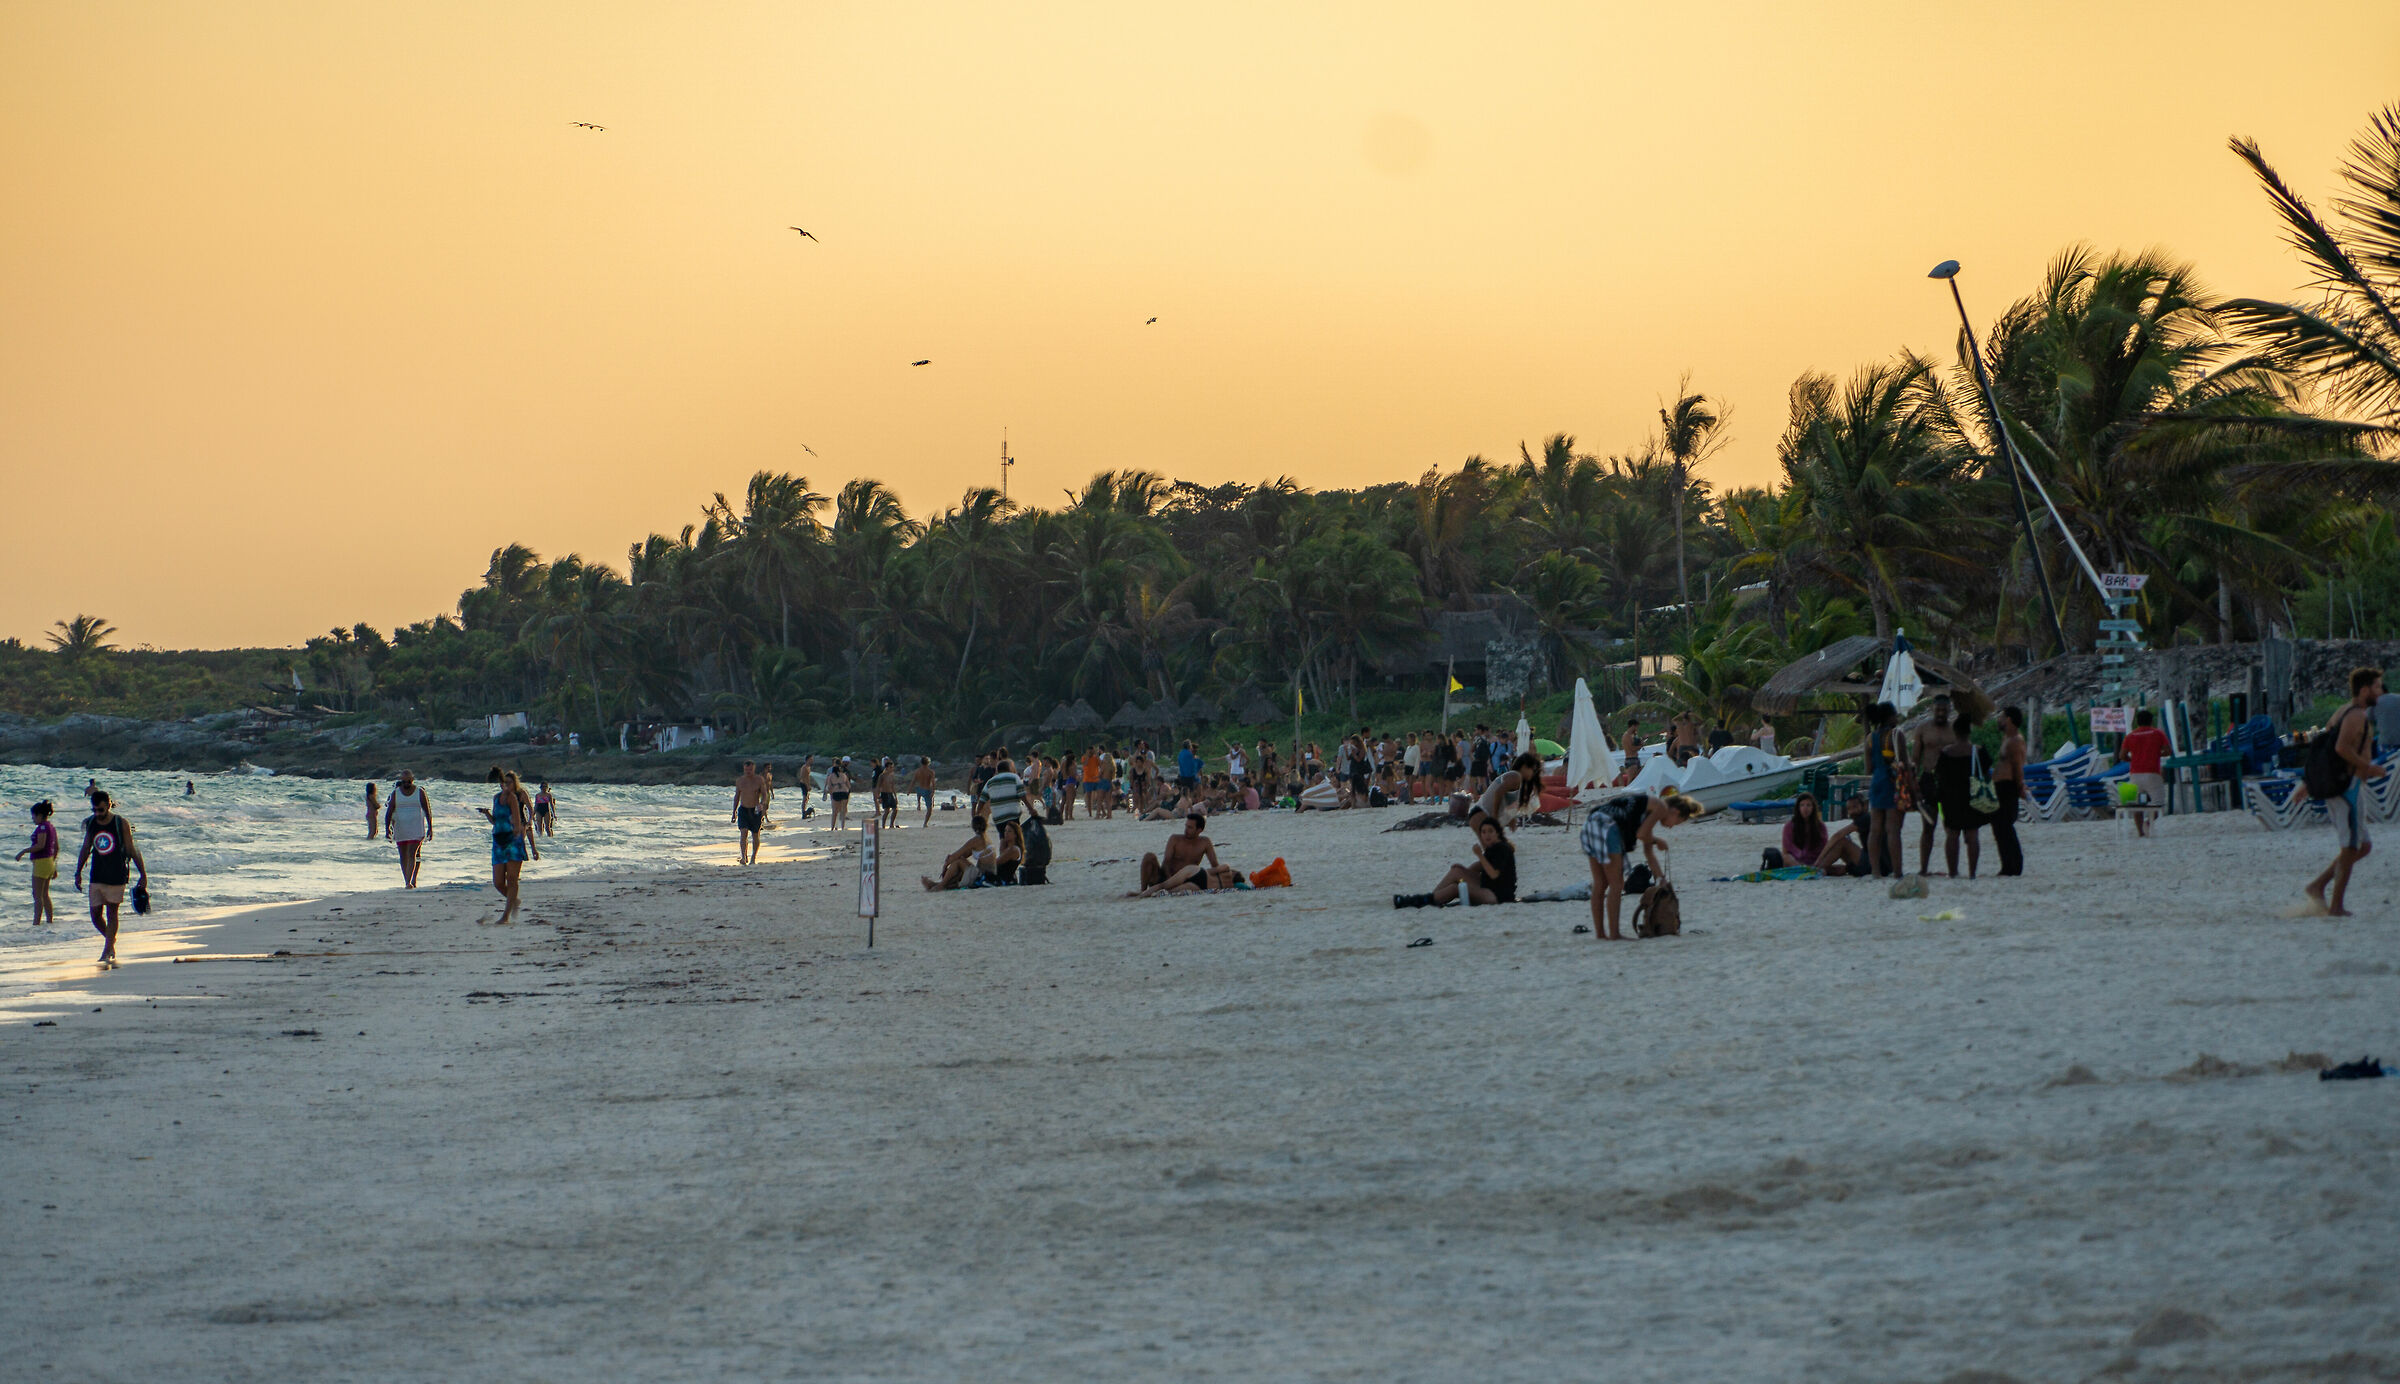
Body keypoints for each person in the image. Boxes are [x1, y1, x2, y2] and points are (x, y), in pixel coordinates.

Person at [2306, 666, 2388, 916]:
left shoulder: (2344, 711)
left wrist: (2306, 782)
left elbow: (2323, 745)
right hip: (2347, 787)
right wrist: (2368, 767)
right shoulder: (2356, 716)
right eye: (2376, 687)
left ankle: (2318, 885)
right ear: (2364, 690)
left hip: (2348, 786)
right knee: (2351, 846)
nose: (2380, 692)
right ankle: (2336, 906)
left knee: (2362, 846)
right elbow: (2340, 748)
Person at [1580, 790, 1700, 941]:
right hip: (1608, 826)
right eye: (1677, 822)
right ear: (1675, 811)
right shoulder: (1661, 807)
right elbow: (1642, 835)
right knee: (1616, 884)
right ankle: (1614, 934)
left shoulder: (1648, 810)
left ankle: (1601, 934)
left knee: (1600, 883)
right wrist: (1658, 841)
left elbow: (1648, 853)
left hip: (1591, 823)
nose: (1672, 827)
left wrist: (1661, 879)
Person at [73, 790, 145, 968]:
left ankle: (107, 950)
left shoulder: (121, 823)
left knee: (112, 913)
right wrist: (78, 872)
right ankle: (111, 942)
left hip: (116, 874)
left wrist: (143, 874)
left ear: (109, 805)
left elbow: (131, 849)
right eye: (94, 810)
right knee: (95, 915)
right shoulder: (91, 823)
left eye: (101, 810)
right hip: (96, 874)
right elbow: (85, 847)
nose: (98, 814)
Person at [1395, 816, 1517, 907]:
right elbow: (1480, 866)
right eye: (1483, 832)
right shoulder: (1493, 847)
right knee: (1456, 871)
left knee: (1455, 888)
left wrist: (1479, 855)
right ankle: (1431, 898)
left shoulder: (1502, 848)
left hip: (1497, 896)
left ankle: (1421, 901)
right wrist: (1464, 871)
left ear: (1498, 833)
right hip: (1488, 887)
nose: (1486, 835)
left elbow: (1494, 874)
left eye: (1490, 831)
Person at [1936, 708, 1990, 876]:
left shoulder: (1946, 753)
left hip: (1951, 797)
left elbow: (1940, 777)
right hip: (1972, 795)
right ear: (1969, 731)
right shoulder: (1978, 751)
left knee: (1952, 834)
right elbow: (1986, 772)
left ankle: (1953, 872)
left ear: (1955, 731)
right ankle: (1972, 873)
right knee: (1972, 835)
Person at [479, 770, 532, 923]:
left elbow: (517, 821)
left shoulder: (513, 798)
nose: (506, 786)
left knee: (512, 878)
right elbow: (496, 821)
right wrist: (487, 814)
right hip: (498, 840)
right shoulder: (496, 798)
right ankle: (513, 901)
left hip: (512, 841)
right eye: (504, 783)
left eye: (509, 783)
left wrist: (520, 831)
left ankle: (505, 916)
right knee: (498, 882)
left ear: (514, 784)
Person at [1911, 696, 1955, 873]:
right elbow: (1915, 759)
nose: (1941, 714)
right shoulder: (1922, 728)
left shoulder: (1954, 730)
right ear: (1932, 709)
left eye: (1944, 710)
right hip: (1928, 780)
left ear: (1949, 710)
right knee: (1928, 826)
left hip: (1949, 781)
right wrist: (1915, 786)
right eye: (1938, 710)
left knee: (1951, 827)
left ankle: (1952, 870)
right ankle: (1924, 869)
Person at [1864, 701, 1905, 878]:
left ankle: (1875, 871)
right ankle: (1897, 871)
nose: (1897, 718)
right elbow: (1903, 763)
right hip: (1891, 782)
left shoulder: (1870, 738)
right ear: (1890, 717)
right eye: (1895, 714)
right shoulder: (1896, 735)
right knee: (1892, 829)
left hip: (1876, 782)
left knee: (1875, 830)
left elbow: (1868, 768)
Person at [1139, 810, 1221, 892]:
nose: (1186, 830)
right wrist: (1170, 881)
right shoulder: (1175, 839)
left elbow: (1215, 865)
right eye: (1186, 826)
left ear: (1199, 830)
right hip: (1166, 878)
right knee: (1149, 856)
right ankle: (1143, 891)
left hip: (1186, 880)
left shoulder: (1205, 842)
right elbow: (1166, 862)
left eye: (1190, 828)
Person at [1779, 792, 1858, 874]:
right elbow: (1786, 852)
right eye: (1802, 805)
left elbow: (1824, 849)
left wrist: (1818, 862)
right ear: (1798, 808)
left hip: (1815, 861)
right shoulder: (1789, 826)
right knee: (1787, 858)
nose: (1805, 808)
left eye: (1808, 805)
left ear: (1813, 808)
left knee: (1839, 870)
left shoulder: (1820, 826)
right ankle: (1805, 869)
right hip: (1795, 861)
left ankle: (1811, 870)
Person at [2120, 709, 2171, 837]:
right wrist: (2156, 755)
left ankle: (2140, 832)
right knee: (2158, 804)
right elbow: (2168, 751)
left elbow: (2122, 755)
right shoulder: (2158, 733)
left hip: (2135, 773)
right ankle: (2148, 823)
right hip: (2152, 773)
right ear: (2151, 720)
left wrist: (2133, 759)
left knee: (2136, 804)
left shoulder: (2130, 736)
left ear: (2137, 722)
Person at [1992, 708, 2029, 877]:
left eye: (2001, 717)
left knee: (2005, 826)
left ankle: (2014, 865)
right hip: (2000, 786)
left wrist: (2020, 786)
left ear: (2009, 719)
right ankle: (2007, 865)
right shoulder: (2006, 738)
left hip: (2008, 786)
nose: (1998, 720)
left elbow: (2018, 765)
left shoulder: (2016, 740)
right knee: (1999, 827)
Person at [385, 769, 433, 888]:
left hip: (416, 828)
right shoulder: (395, 793)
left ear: (413, 780)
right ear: (401, 781)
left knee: (412, 853)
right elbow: (389, 812)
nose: (406, 783)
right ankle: (407, 880)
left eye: (409, 781)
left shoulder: (420, 792)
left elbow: (427, 811)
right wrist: (387, 829)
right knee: (403, 856)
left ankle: (409, 882)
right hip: (401, 829)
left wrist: (430, 827)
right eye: (404, 781)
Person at [1475, 751, 1546, 828]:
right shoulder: (1515, 777)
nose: (1533, 774)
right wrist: (1494, 817)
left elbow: (1506, 801)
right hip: (1483, 815)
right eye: (1533, 770)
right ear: (1524, 767)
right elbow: (1498, 792)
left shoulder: (1516, 779)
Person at [922, 814, 990, 891]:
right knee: (960, 861)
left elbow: (956, 855)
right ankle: (938, 884)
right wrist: (953, 859)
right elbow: (963, 854)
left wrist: (945, 865)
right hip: (985, 874)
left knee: (958, 862)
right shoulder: (985, 839)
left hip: (982, 876)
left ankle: (941, 885)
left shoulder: (976, 840)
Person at [17, 801, 59, 926]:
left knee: (37, 895)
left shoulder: (42, 827)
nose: (32, 819)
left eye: (34, 816)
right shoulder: (50, 826)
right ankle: (49, 920)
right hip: (49, 862)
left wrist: (23, 851)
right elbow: (56, 847)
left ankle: (36, 923)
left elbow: (40, 845)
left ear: (40, 815)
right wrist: (53, 864)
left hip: (41, 863)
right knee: (45, 894)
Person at [734, 761, 767, 864]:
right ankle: (743, 857)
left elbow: (765, 795)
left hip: (755, 810)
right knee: (743, 833)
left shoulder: (759, 780)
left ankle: (753, 857)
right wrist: (734, 811)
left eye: (750, 770)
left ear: (754, 769)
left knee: (755, 834)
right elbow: (737, 797)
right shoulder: (740, 781)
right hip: (743, 809)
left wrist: (762, 804)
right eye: (746, 770)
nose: (748, 772)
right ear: (744, 769)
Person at [825, 760, 854, 831]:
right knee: (843, 811)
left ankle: (832, 827)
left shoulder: (831, 776)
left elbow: (829, 787)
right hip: (844, 792)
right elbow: (849, 786)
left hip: (836, 793)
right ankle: (842, 827)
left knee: (835, 812)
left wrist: (831, 794)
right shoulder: (844, 775)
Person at [911, 756, 938, 827]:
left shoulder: (917, 771)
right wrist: (933, 791)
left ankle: (919, 804)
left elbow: (913, 781)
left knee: (918, 789)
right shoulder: (930, 772)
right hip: (926, 789)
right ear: (928, 763)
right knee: (929, 809)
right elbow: (933, 782)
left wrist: (909, 790)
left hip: (920, 789)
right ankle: (925, 823)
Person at [876, 757, 901, 830]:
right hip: (884, 793)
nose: (892, 769)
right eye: (890, 767)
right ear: (887, 768)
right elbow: (878, 786)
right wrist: (879, 797)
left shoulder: (891, 775)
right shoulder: (882, 775)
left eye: (892, 767)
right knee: (887, 811)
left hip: (890, 793)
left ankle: (891, 824)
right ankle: (883, 825)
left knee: (895, 809)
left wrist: (895, 796)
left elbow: (893, 786)